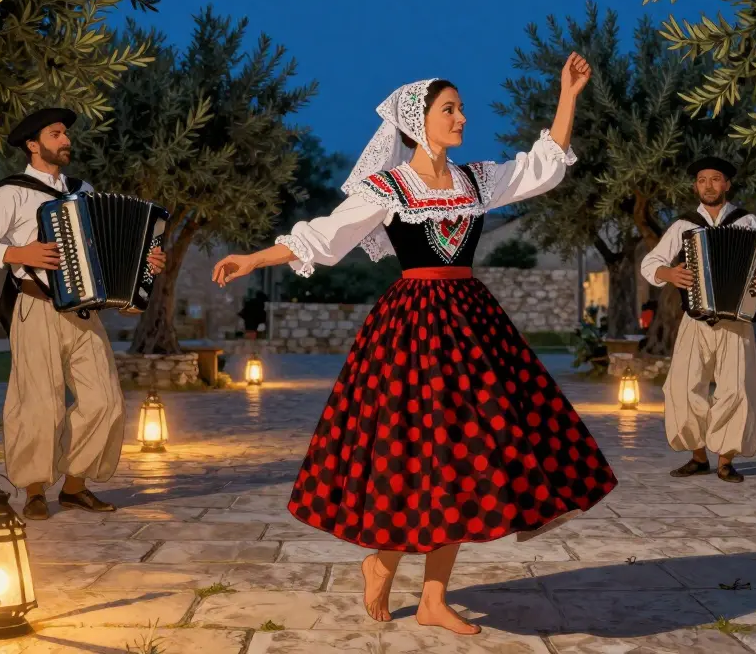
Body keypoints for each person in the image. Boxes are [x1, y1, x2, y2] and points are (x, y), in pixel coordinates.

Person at [211, 54, 617, 635]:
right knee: (410, 455)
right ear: (416, 123)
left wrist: (568, 94)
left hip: (472, 331)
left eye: (460, 108)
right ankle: (382, 559)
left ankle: (433, 598)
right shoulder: (389, 187)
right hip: (410, 335)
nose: (462, 117)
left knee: (464, 457)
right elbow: (325, 238)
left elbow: (542, 167)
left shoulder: (477, 179)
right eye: (450, 109)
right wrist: (254, 256)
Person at [0, 107, 166, 520]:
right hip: (35, 305)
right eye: (56, 134)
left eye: (65, 133)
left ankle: (74, 487)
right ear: (33, 145)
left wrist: (145, 262)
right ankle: (34, 490)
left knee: (105, 401)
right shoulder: (11, 194)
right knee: (38, 404)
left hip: (85, 312)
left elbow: (104, 252)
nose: (65, 140)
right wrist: (17, 252)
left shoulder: (82, 190)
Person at [639, 157, 756, 483]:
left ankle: (725, 461)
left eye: (715, 179)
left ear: (727, 184)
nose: (708, 185)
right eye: (702, 180)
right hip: (695, 317)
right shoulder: (683, 225)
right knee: (684, 386)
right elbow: (651, 263)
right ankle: (699, 456)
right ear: (695, 186)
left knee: (735, 389)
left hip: (737, 319)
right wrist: (668, 272)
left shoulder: (748, 223)